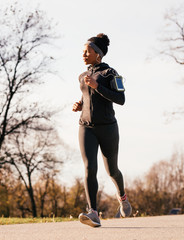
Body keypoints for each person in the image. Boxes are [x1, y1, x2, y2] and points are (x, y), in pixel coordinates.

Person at [72, 33, 132, 228]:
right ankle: (93, 213)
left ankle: (122, 196)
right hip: (86, 127)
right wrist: (80, 104)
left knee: (112, 170)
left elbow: (120, 99)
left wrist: (97, 86)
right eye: (83, 51)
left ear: (98, 54)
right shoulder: (83, 76)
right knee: (90, 168)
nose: (83, 54)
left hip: (108, 129)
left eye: (87, 51)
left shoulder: (111, 74)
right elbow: (88, 95)